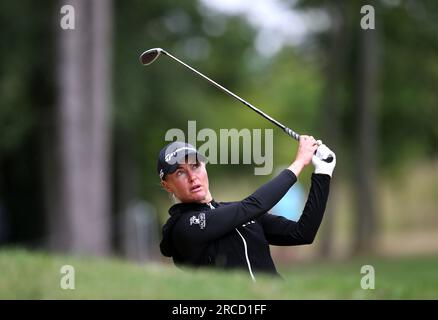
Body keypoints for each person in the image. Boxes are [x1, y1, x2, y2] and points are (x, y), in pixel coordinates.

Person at [158, 137, 336, 281]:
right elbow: (253, 206)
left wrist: (323, 173)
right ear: (167, 186)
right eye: (180, 172)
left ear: (204, 167)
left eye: (195, 166)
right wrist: (298, 163)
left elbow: (303, 233)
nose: (192, 177)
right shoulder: (183, 226)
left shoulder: (239, 213)